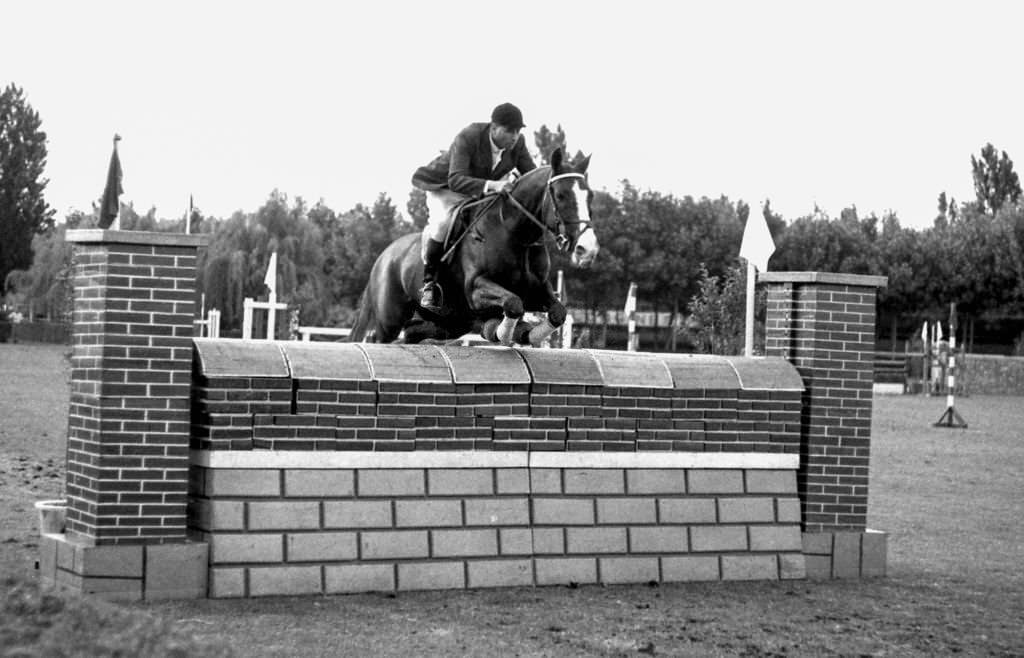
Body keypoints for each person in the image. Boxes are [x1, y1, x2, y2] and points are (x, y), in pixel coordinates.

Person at [411, 102, 537, 311]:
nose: (514, 137)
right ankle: (429, 282)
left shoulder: (518, 144)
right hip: (446, 188)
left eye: (517, 131)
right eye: (509, 131)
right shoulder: (469, 136)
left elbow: (531, 177)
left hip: (480, 192)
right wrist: (493, 185)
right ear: (494, 127)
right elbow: (456, 180)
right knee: (443, 223)